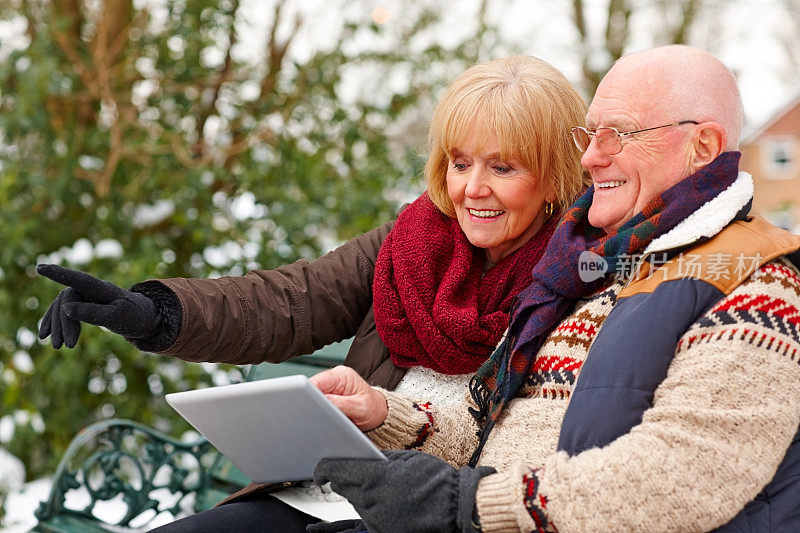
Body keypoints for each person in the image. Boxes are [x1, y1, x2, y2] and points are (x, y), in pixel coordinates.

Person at [36, 55, 589, 530]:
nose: (473, 189)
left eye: (504, 167)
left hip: (445, 511)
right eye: (459, 163)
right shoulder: (413, 240)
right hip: (332, 489)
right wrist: (152, 313)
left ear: (554, 174)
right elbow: (289, 302)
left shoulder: (578, 280)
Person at [310, 45, 800, 532]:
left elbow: (679, 480)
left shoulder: (759, 280)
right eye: (590, 134)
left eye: (617, 135)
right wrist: (382, 413)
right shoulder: (587, 269)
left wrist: (466, 505)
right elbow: (484, 432)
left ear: (704, 148)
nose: (589, 157)